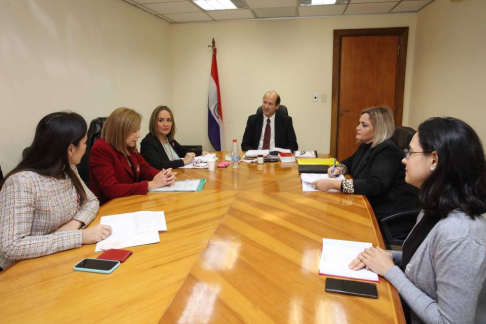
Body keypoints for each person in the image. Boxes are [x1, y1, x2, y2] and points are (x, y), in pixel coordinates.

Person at [350, 117, 486, 323]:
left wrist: (390, 271)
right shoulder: (434, 206)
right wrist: (387, 256)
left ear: (434, 160)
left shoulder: (459, 236)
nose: (403, 160)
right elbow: (426, 262)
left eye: (410, 153)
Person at [0, 112, 111, 271]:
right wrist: (79, 236)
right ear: (71, 149)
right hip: (25, 270)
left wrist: (75, 224)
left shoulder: (68, 168)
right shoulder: (22, 182)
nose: (86, 148)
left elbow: (92, 201)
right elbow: (11, 246)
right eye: (85, 143)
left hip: (58, 258)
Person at [313, 106, 418, 222]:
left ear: (379, 129)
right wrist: (339, 168)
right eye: (359, 123)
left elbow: (374, 185)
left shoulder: (388, 151)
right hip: (366, 201)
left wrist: (333, 184)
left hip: (387, 212)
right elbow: (351, 161)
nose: (357, 128)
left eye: (364, 125)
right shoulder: (367, 144)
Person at [89, 107, 176, 205]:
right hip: (110, 207)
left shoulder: (128, 146)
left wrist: (164, 176)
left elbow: (145, 168)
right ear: (121, 131)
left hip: (130, 202)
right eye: (134, 131)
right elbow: (111, 189)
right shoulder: (101, 149)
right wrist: (150, 184)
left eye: (138, 130)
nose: (138, 135)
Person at [141, 105, 207, 169]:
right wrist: (183, 161)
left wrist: (200, 152)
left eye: (169, 120)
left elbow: (183, 151)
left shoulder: (168, 139)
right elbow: (158, 165)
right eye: (161, 120)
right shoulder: (148, 143)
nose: (166, 124)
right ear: (154, 122)